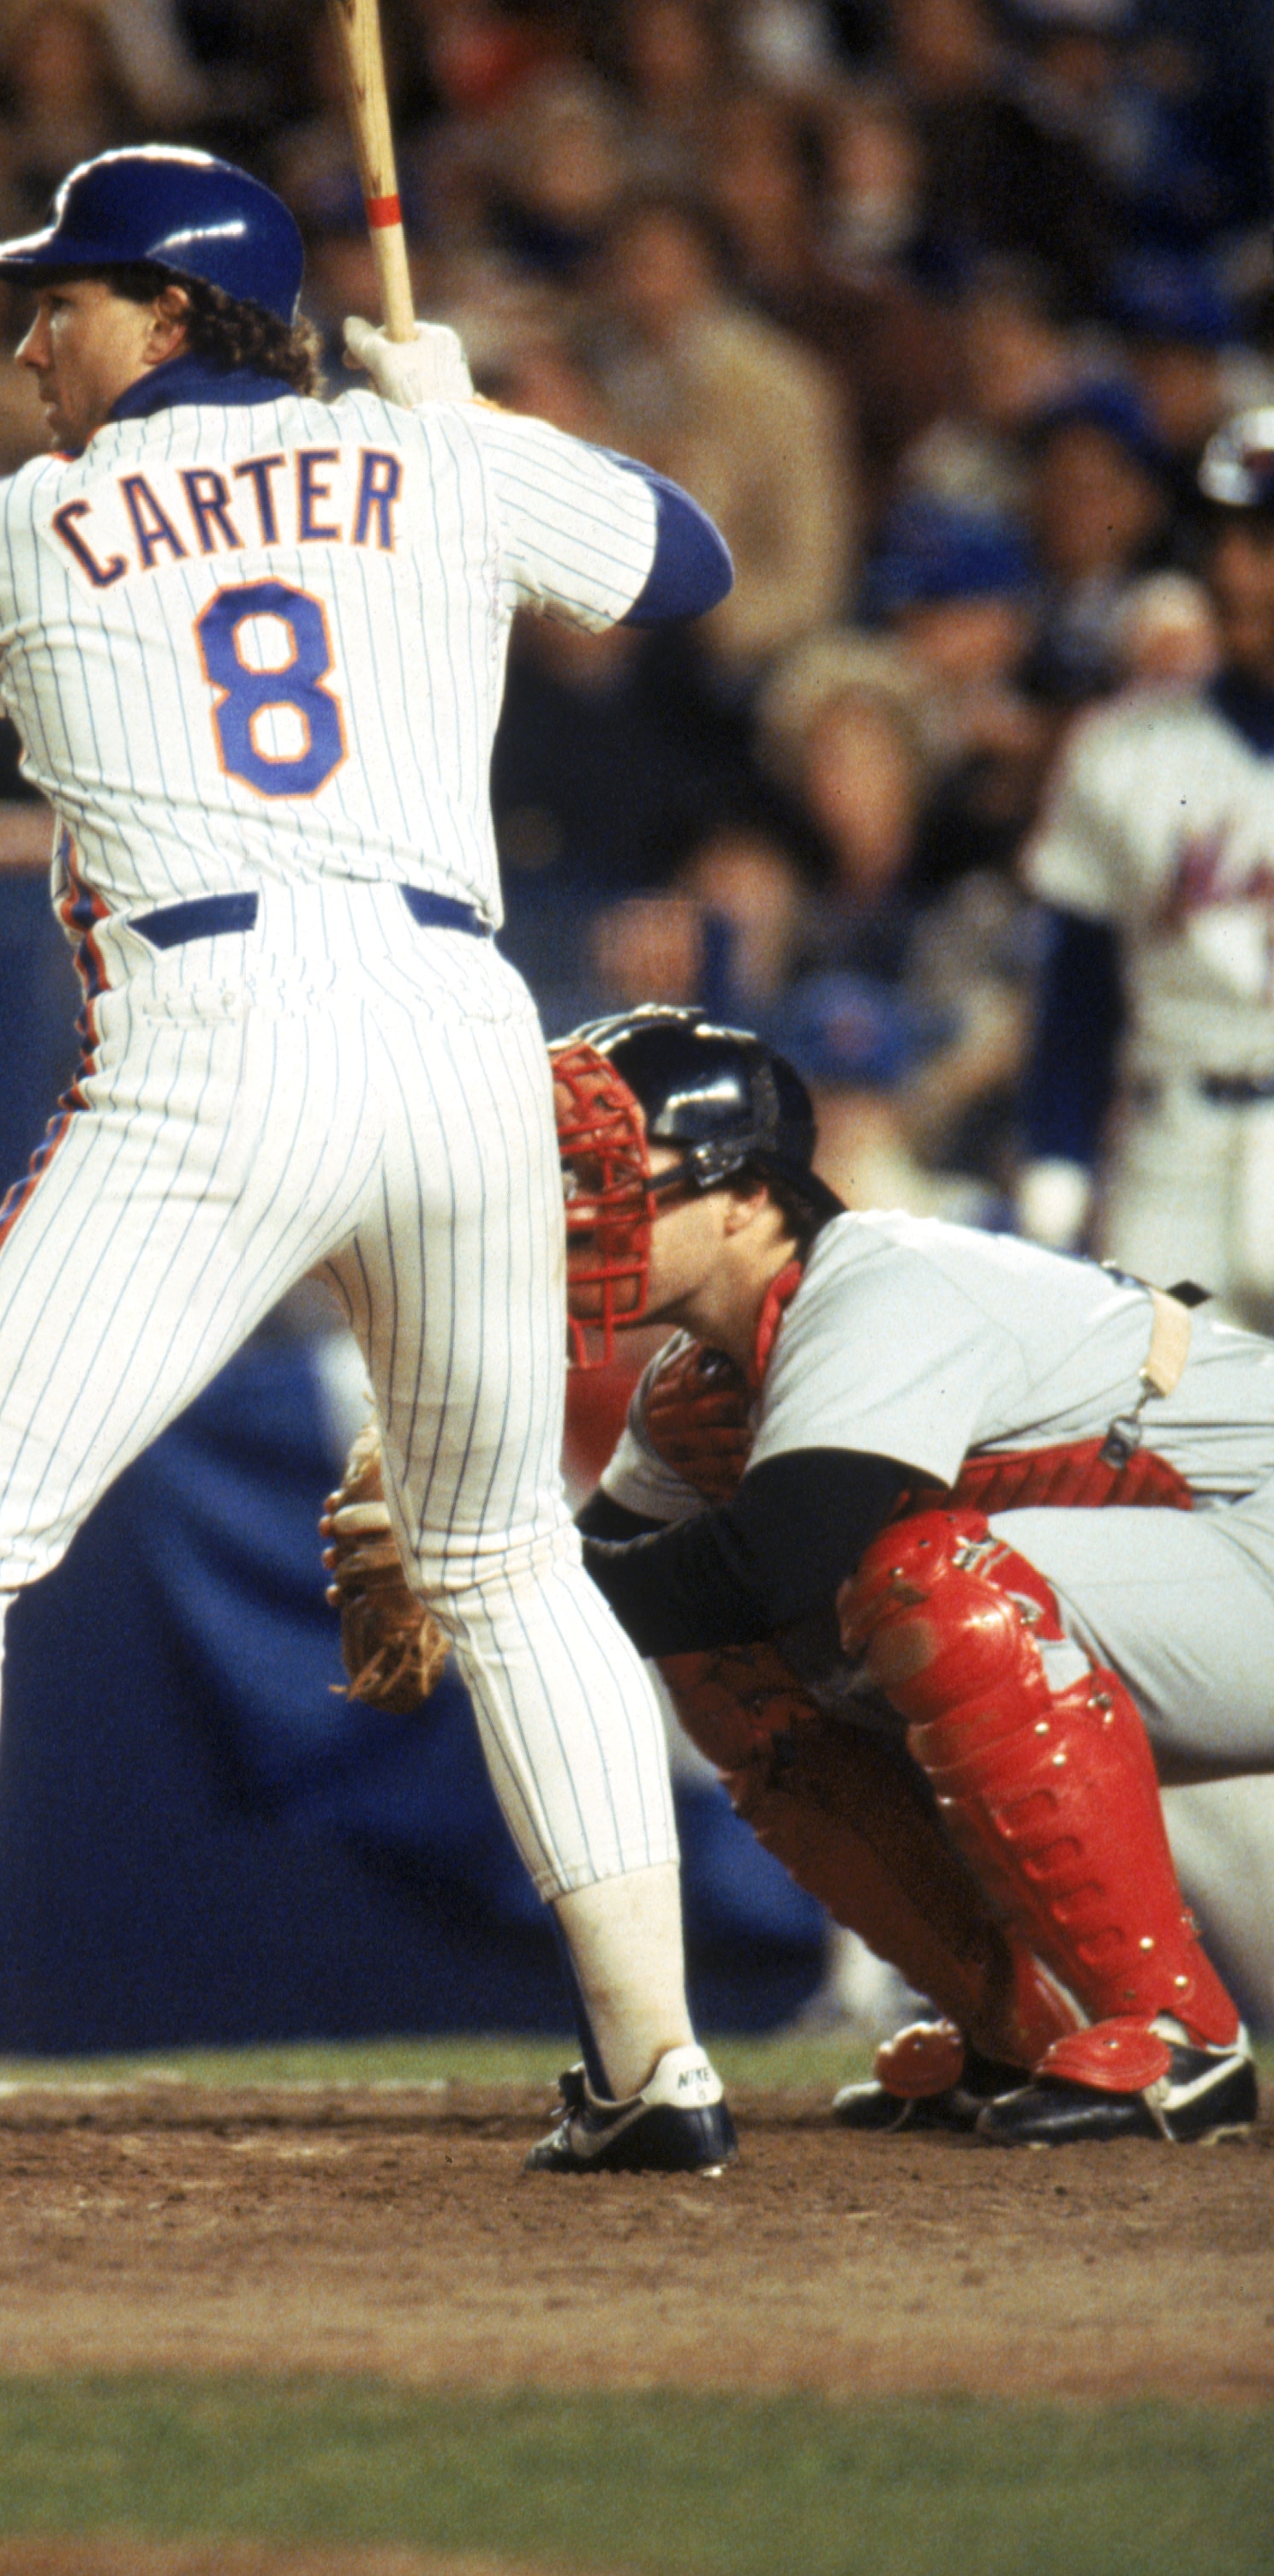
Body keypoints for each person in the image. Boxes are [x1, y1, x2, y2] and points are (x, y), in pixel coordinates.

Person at [0, 140, 739, 2199]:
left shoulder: (17, 526)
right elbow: (682, 562)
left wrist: (402, 451)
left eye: (62, 297)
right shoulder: (425, 458)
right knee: (507, 1555)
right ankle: (661, 2063)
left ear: (167, 312)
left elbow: (13, 671)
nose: (22, 335)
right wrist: (462, 428)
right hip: (460, 1034)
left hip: (219, 1030)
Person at [328, 1006, 1273, 2147]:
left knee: (916, 1585)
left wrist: (480, 1563)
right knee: (721, 1653)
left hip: (1250, 1537)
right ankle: (1018, 2031)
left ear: (746, 1194)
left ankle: (1175, 2037)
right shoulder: (699, 1383)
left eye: (603, 1172)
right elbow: (613, 1586)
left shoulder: (880, 1282)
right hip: (1188, 1578)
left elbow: (773, 1560)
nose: (565, 1207)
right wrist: (461, 1566)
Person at [1020, 406, 1274, 1328]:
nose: (1236, 570)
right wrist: (1055, 1175)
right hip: (1177, 1154)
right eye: (1225, 538)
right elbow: (1077, 998)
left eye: (1265, 540)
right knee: (1155, 1446)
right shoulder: (1122, 750)